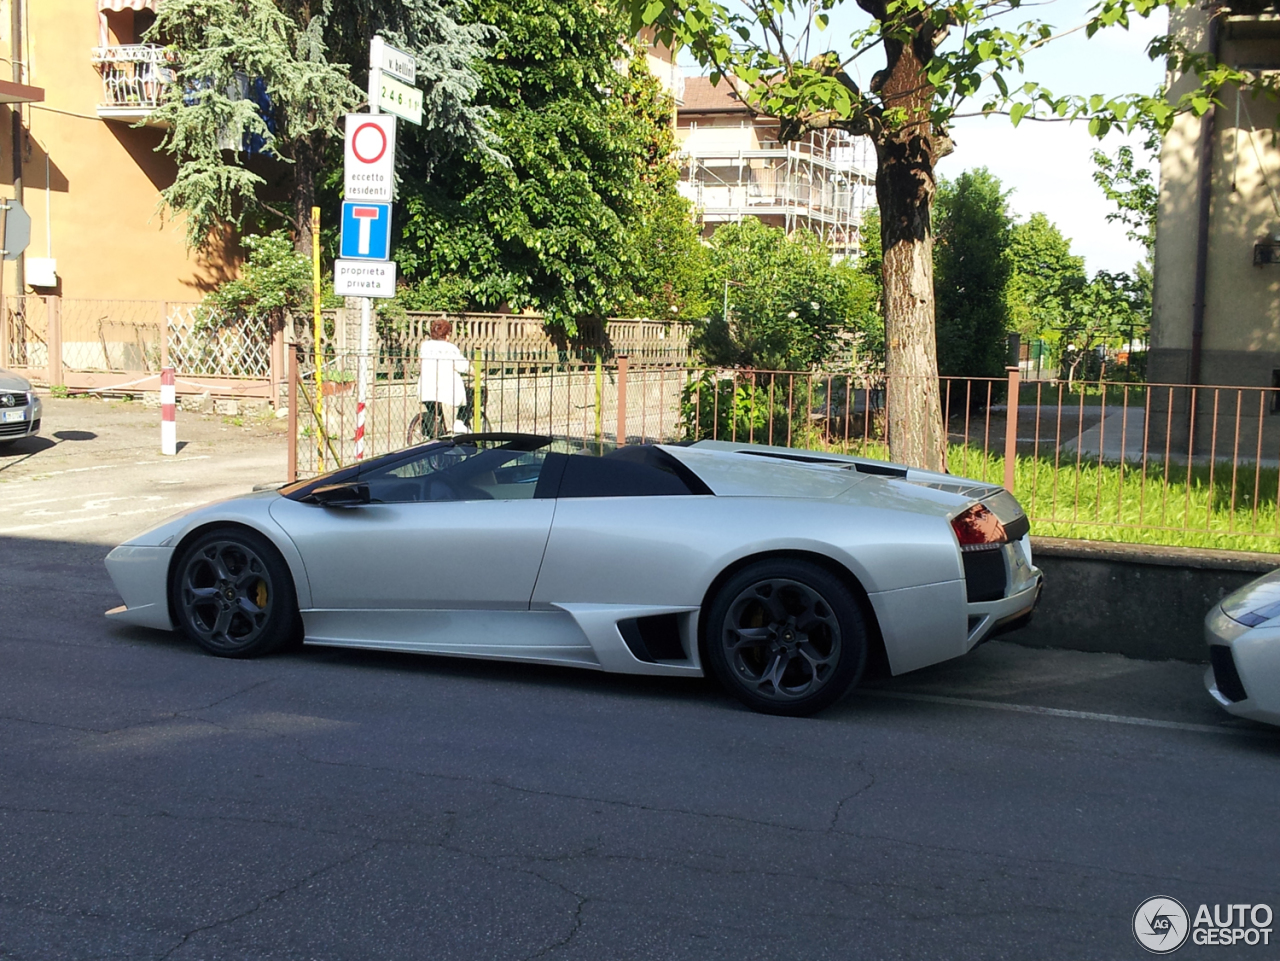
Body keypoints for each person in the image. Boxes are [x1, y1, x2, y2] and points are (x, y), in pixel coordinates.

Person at [418, 319, 471, 436]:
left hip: (426, 390)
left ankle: (437, 430)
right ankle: (454, 429)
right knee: (458, 406)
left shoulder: (425, 346)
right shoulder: (450, 348)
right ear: (447, 335)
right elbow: (463, 366)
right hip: (447, 392)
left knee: (435, 411)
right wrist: (476, 373)